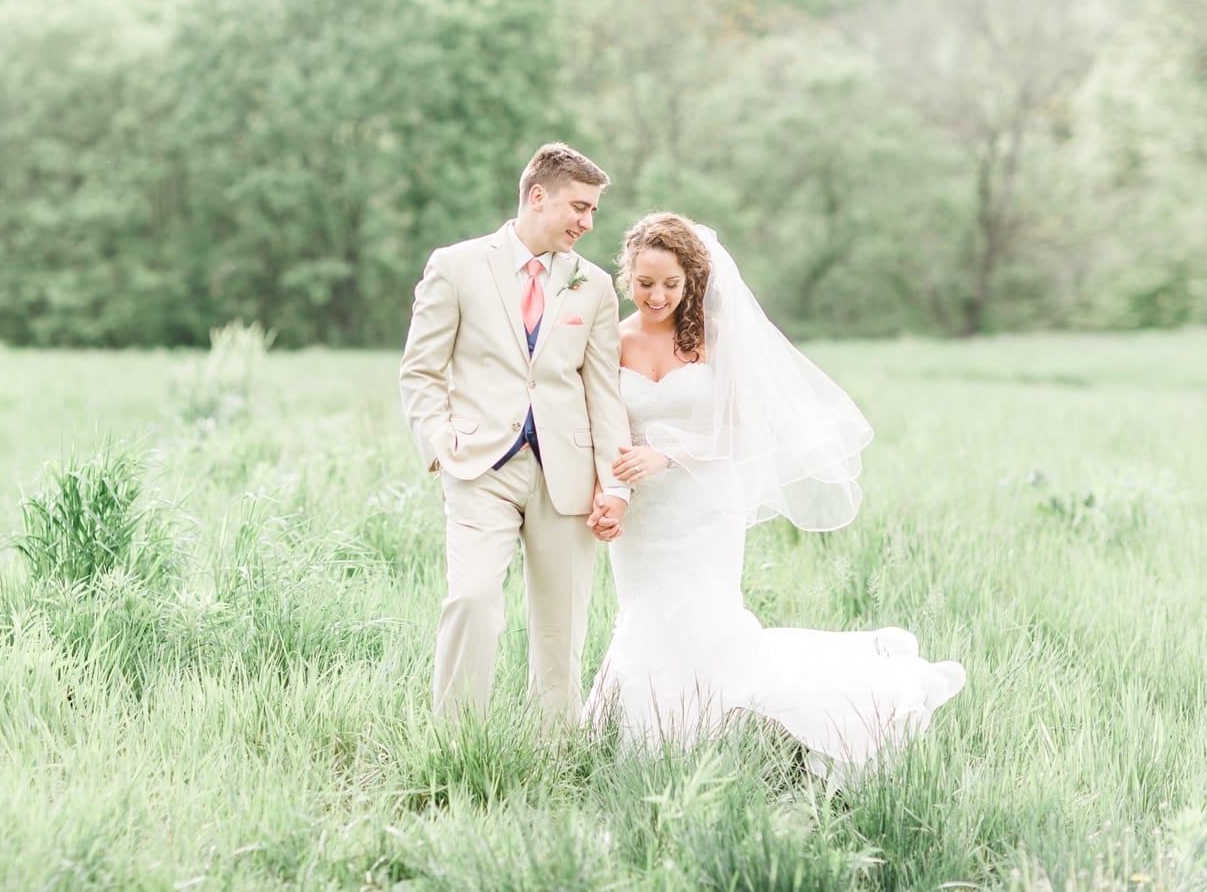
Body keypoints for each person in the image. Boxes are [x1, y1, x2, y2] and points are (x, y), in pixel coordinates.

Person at [584, 211, 965, 769]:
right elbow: (605, 429)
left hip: (703, 504)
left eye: (670, 284)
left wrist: (667, 454)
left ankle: (703, 732)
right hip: (644, 518)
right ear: (627, 278)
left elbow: (742, 430)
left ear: (691, 280)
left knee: (704, 617)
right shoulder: (614, 340)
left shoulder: (714, 341)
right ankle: (640, 734)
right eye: (644, 283)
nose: (657, 296)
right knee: (642, 614)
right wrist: (612, 492)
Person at [400, 142, 632, 725]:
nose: (587, 222)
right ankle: (456, 743)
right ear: (537, 195)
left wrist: (614, 485)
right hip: (479, 466)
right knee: (473, 597)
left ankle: (553, 752)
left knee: (561, 628)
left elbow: (603, 392)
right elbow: (421, 370)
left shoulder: (595, 286)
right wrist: (440, 446)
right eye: (579, 207)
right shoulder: (455, 266)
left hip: (568, 476)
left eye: (594, 212)